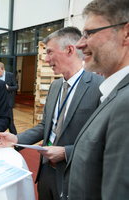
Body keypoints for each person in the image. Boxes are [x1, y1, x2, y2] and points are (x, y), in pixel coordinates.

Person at [0, 27, 104, 200]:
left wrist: (66, 152)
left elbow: (103, 141)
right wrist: (17, 139)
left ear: (69, 50)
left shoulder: (100, 86)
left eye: (50, 52)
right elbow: (45, 126)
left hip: (74, 176)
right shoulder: (55, 86)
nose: (45, 59)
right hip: (45, 173)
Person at [62, 0, 129, 199]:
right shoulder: (114, 94)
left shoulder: (125, 104)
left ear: (126, 33)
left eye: (89, 33)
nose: (80, 44)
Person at [0, 62, 18, 135]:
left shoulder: (10, 75)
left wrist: (8, 87)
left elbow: (16, 87)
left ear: (3, 69)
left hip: (8, 103)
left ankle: (16, 141)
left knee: (11, 123)